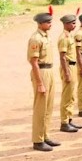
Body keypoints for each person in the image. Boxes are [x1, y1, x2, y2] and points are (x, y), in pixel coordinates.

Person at [28, 12, 59, 152]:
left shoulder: (46, 37)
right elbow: (34, 62)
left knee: (48, 107)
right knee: (40, 108)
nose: (50, 24)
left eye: (50, 22)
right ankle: (37, 140)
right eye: (47, 22)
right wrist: (40, 83)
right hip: (41, 72)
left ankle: (45, 135)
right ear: (40, 24)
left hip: (49, 70)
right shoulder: (36, 39)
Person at [58, 14, 82, 133]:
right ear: (66, 24)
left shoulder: (70, 36)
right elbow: (62, 57)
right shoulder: (64, 37)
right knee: (67, 96)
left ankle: (69, 119)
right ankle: (64, 122)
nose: (74, 25)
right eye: (72, 23)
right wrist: (66, 73)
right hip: (67, 66)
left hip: (72, 66)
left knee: (72, 95)